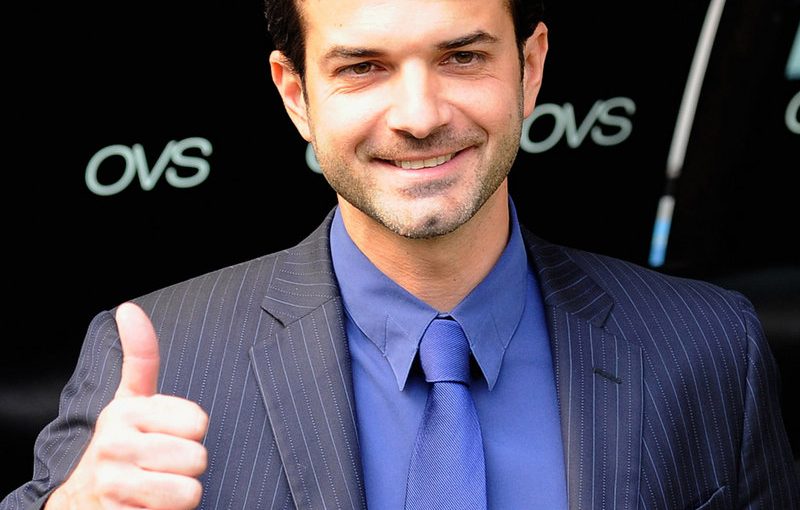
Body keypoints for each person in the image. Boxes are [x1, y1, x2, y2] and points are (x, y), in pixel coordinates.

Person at [3, 0, 799, 508]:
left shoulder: (710, 346)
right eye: (363, 67)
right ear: (294, 94)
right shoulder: (163, 357)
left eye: (462, 57)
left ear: (529, 68)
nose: (419, 116)